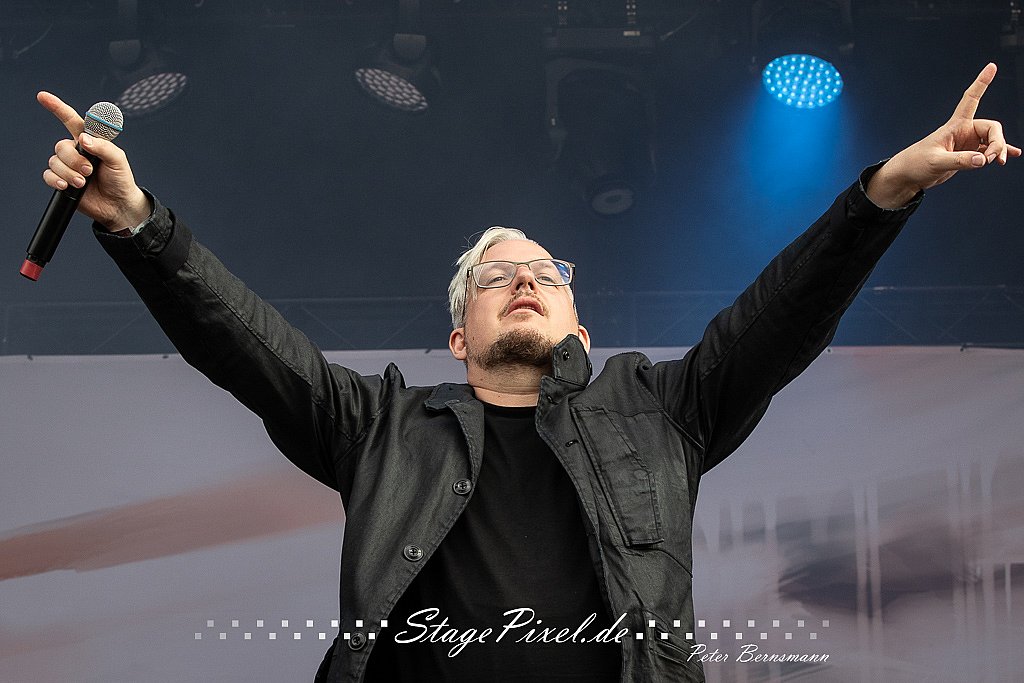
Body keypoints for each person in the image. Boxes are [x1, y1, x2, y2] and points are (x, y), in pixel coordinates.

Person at [36, 63, 1019, 683]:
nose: (522, 281)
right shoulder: (378, 426)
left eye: (545, 273)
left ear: (577, 321)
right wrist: (135, 223)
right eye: (494, 275)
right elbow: (242, 339)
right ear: (457, 335)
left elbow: (785, 311)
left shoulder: (663, 409)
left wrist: (889, 188)